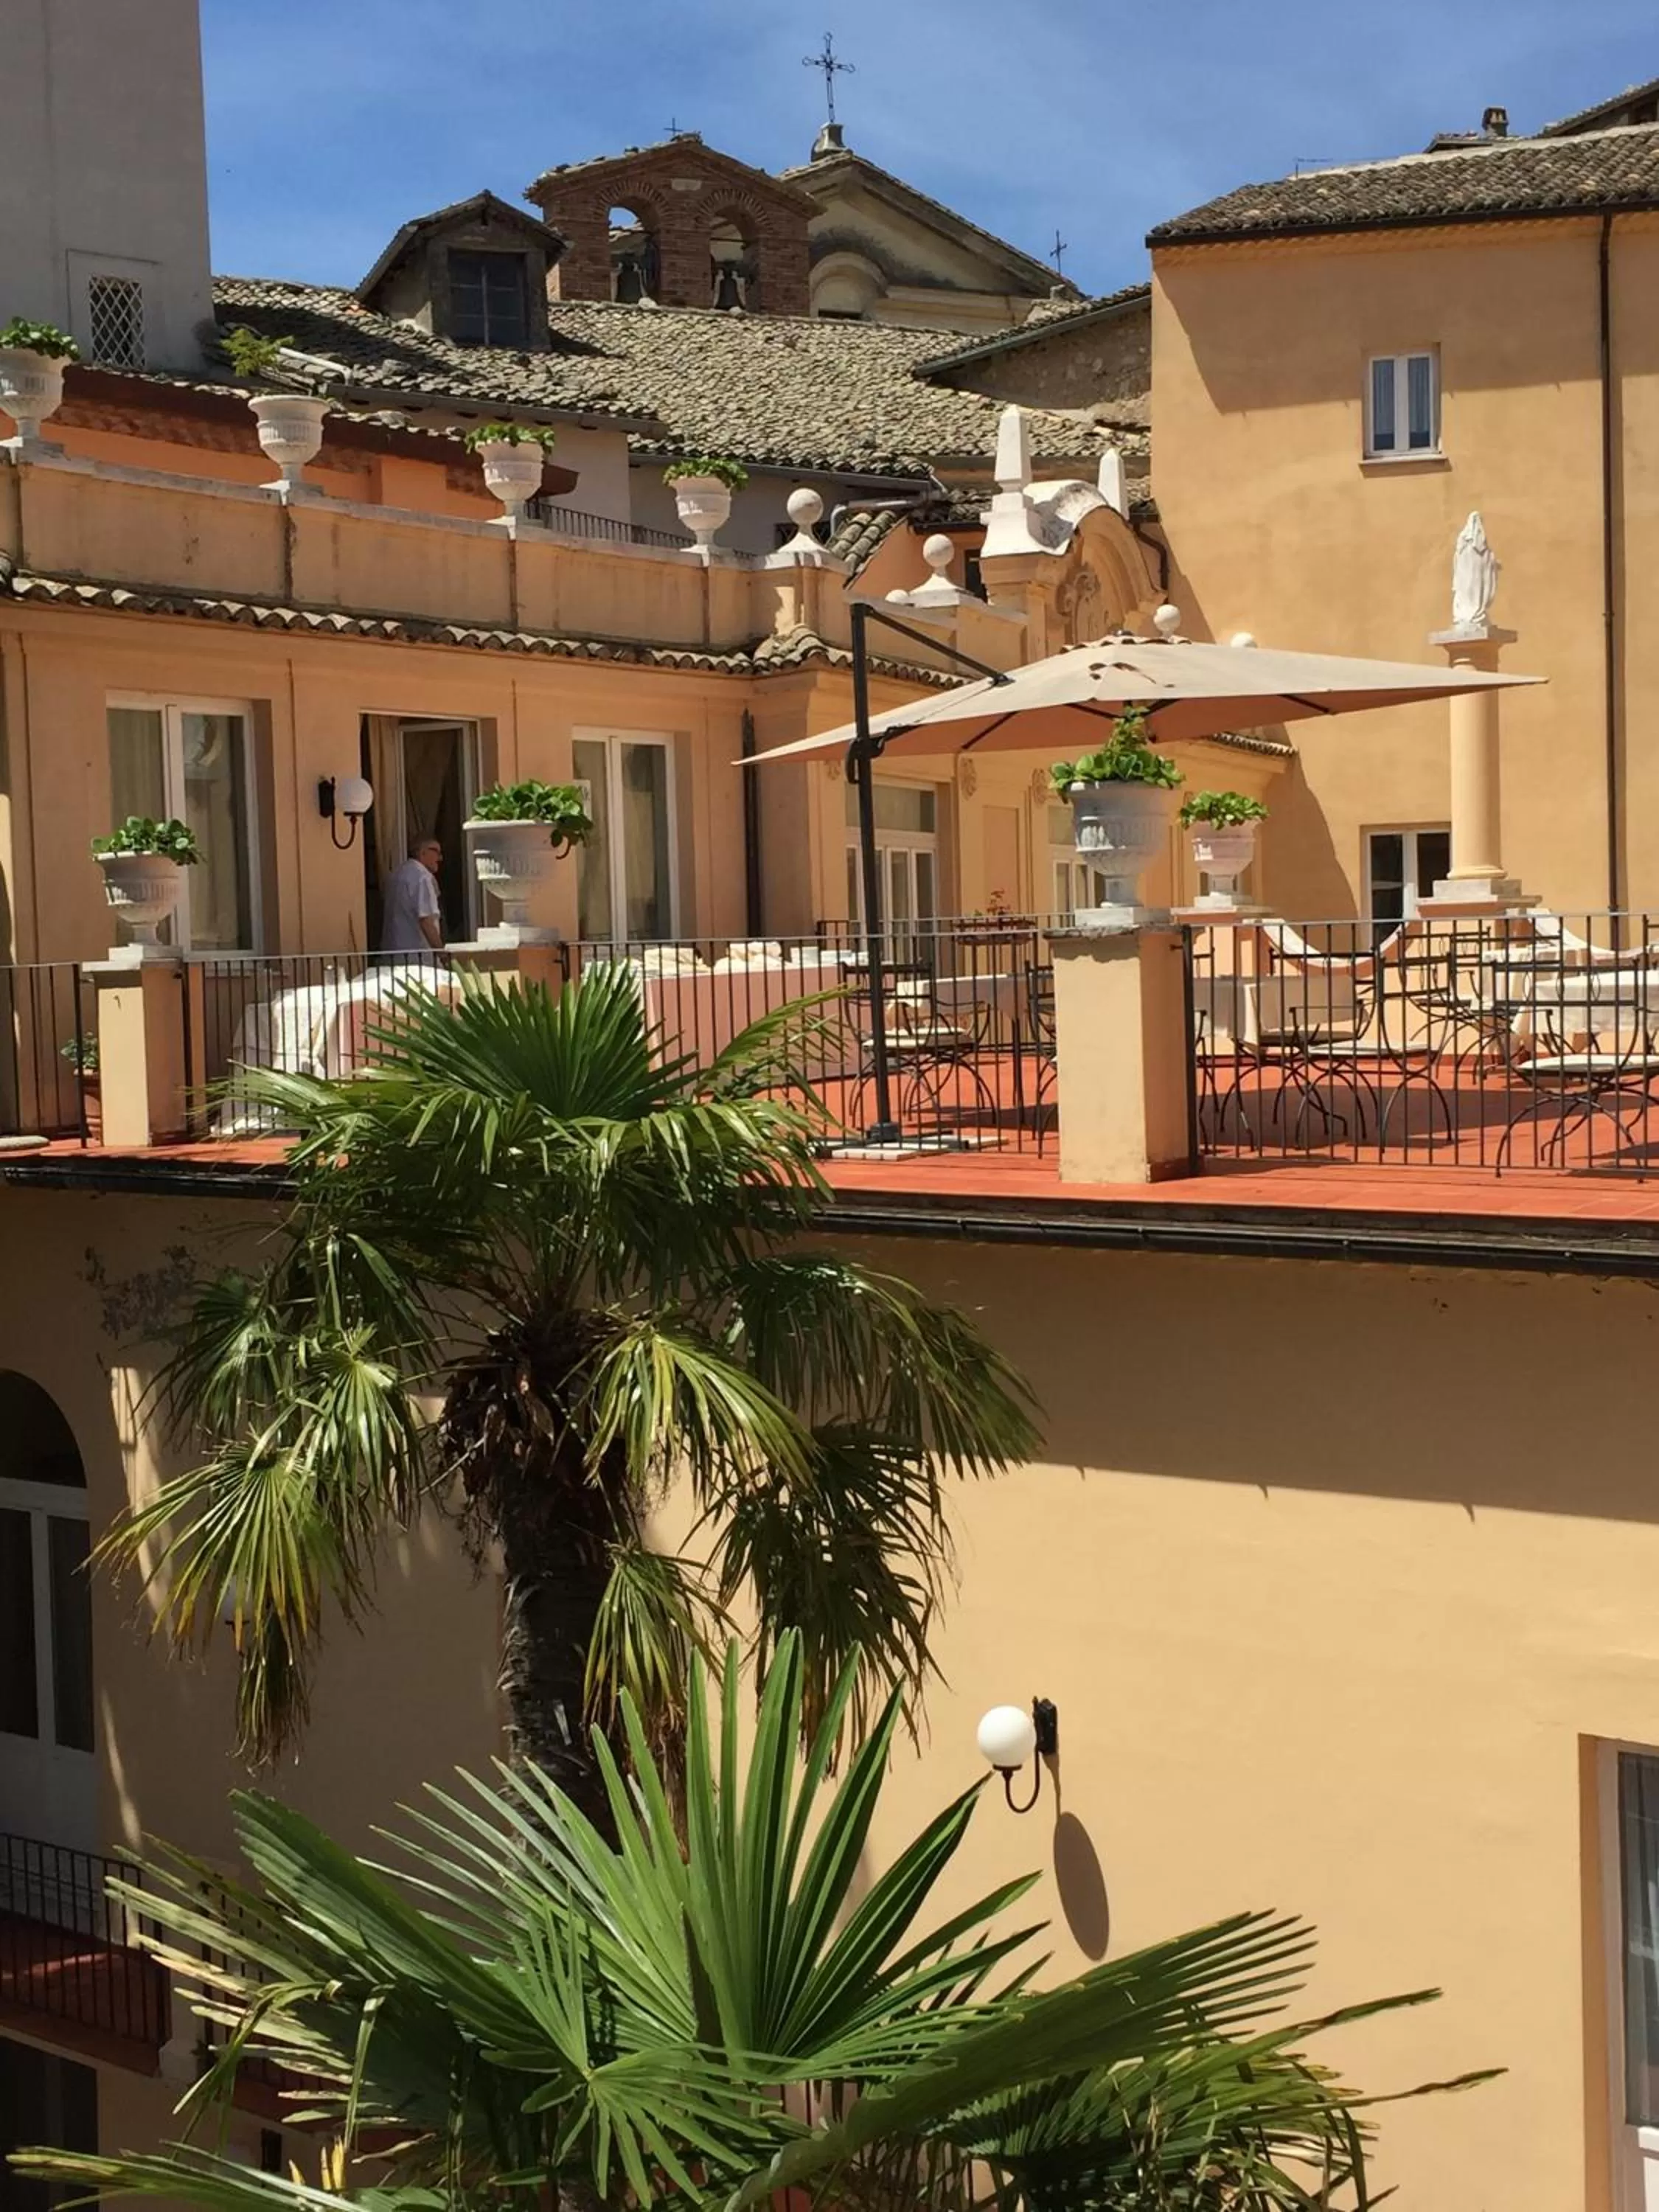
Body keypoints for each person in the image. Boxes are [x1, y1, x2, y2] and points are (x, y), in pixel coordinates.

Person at [381, 834, 443, 953]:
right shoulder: (422, 877)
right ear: (422, 853)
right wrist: (442, 954)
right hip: (417, 958)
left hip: (393, 955)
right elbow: (426, 920)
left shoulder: (396, 874)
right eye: (436, 852)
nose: (440, 858)